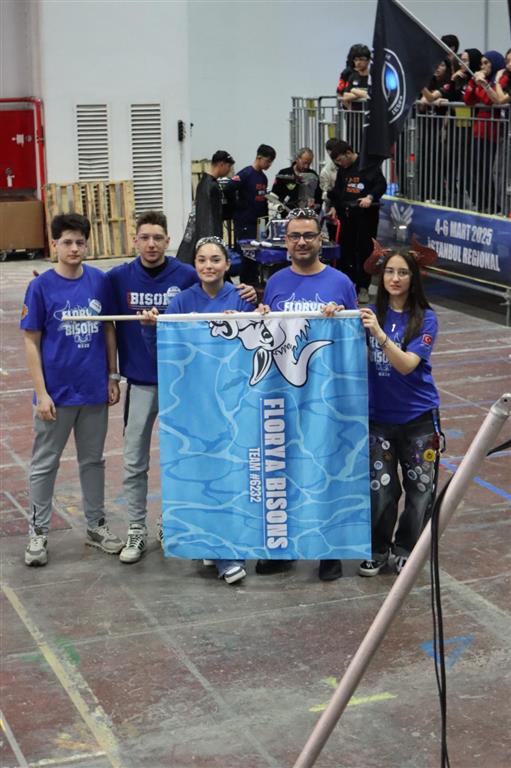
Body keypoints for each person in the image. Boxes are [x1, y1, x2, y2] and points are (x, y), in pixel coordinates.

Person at [108, 211, 257, 563]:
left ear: (168, 240)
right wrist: (112, 374)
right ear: (135, 240)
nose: (151, 244)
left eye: (158, 238)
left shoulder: (187, 275)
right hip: (142, 381)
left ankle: (172, 523)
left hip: (190, 388)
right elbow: (105, 321)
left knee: (185, 458)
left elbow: (221, 291)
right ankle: (136, 528)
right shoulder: (117, 278)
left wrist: (249, 293)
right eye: (145, 237)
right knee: (134, 460)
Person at [141, 236, 256, 584]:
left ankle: (223, 548)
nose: (209, 266)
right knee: (203, 473)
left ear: (227, 264)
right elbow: (164, 350)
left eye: (215, 260)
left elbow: (256, 348)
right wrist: (151, 329)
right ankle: (219, 550)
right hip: (193, 402)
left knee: (232, 475)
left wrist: (252, 320)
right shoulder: (181, 301)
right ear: (194, 265)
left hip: (233, 403)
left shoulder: (242, 298)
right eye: (202, 260)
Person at [257, 208, 357, 582]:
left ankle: (328, 551)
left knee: (327, 472)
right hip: (285, 395)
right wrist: (260, 315)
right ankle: (283, 550)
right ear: (285, 242)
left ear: (321, 240)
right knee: (285, 472)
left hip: (328, 397)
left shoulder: (341, 283)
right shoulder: (276, 282)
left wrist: (340, 317)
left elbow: (355, 339)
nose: (302, 242)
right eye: (295, 236)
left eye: (309, 235)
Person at [21, 213, 123, 567]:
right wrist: (41, 393)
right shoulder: (40, 287)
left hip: (93, 391)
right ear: (54, 244)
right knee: (45, 463)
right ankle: (38, 532)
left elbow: (108, 328)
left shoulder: (99, 281)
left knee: (93, 461)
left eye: (80, 242)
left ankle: (96, 525)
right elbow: (31, 341)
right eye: (67, 242)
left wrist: (112, 375)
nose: (74, 248)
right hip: (56, 395)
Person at [358, 248, 442, 577]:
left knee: (420, 490)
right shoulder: (367, 314)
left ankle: (407, 548)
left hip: (418, 419)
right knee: (381, 490)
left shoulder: (426, 318)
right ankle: (377, 549)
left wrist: (379, 335)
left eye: (403, 272)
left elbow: (407, 365)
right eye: (390, 272)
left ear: (413, 278)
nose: (395, 278)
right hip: (378, 419)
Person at [327, 140, 386, 304]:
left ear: (348, 153)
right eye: (337, 162)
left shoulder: (367, 165)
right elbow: (338, 190)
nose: (340, 164)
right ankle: (349, 285)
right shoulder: (342, 169)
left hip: (365, 216)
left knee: (364, 251)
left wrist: (370, 197)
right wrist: (333, 206)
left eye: (341, 160)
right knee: (346, 251)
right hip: (346, 216)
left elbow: (381, 185)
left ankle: (363, 287)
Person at [226, 143, 277, 284]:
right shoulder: (246, 174)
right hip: (245, 222)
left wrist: (265, 224)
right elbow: (229, 188)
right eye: (267, 161)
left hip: (259, 223)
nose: (269, 165)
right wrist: (238, 206)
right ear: (259, 157)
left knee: (257, 256)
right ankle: (245, 285)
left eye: (271, 162)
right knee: (246, 256)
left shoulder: (263, 178)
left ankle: (254, 283)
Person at [464, 50, 506, 212]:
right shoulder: (483, 81)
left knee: (489, 170)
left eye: (486, 63)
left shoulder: (499, 80)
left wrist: (481, 85)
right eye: (481, 63)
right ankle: (483, 204)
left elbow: (489, 100)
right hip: (478, 130)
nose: (483, 66)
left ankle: (493, 205)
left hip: (492, 132)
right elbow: (468, 100)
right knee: (476, 169)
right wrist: (474, 82)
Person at [176, 150, 235, 264]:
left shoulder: (204, 183)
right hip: (207, 236)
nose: (229, 170)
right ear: (221, 164)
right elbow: (208, 218)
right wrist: (210, 243)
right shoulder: (211, 186)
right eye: (228, 166)